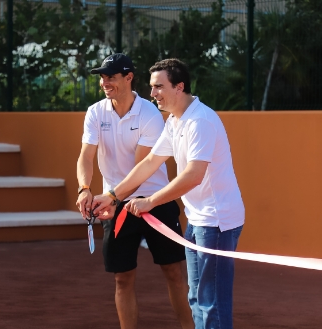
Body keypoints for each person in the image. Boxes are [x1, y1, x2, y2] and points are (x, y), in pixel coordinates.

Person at [93, 58, 245, 329]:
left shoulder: (200, 121)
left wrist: (150, 201)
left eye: (159, 87)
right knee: (197, 297)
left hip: (218, 222)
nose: (152, 94)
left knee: (211, 302)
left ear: (179, 87)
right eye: (151, 87)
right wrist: (114, 196)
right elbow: (150, 162)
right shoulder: (175, 122)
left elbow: (193, 176)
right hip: (198, 219)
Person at [75, 53, 193, 329]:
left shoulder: (150, 113)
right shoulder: (95, 112)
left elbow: (143, 166)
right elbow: (85, 157)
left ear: (129, 78)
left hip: (155, 202)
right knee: (122, 278)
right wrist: (84, 189)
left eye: (111, 77)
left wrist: (113, 197)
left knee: (174, 272)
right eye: (103, 77)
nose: (105, 82)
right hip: (114, 204)